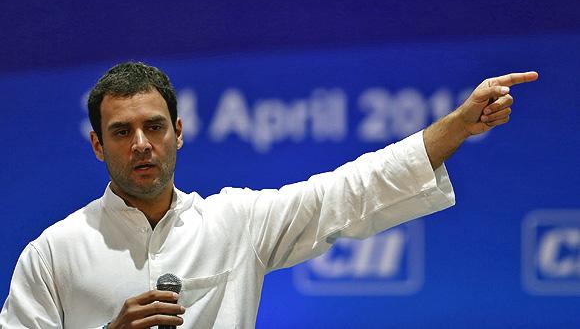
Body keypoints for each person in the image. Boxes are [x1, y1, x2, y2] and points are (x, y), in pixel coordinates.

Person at [0, 62, 538, 329]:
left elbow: (349, 191)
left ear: (179, 131)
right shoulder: (53, 253)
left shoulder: (235, 223)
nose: (141, 144)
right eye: (121, 132)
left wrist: (457, 128)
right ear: (97, 144)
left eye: (154, 127)